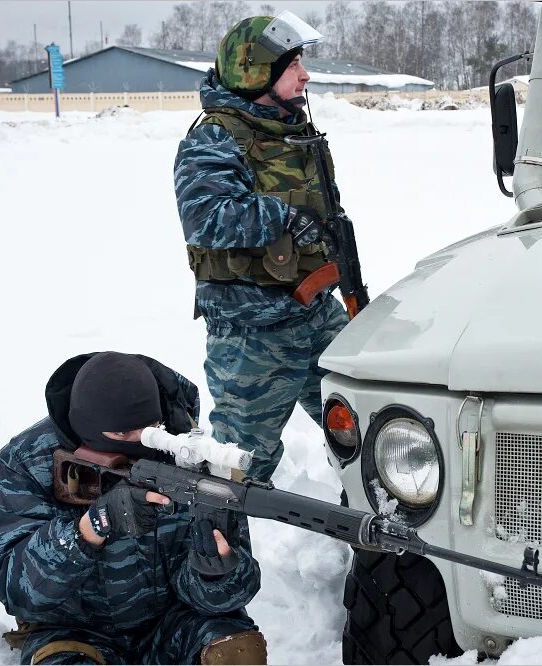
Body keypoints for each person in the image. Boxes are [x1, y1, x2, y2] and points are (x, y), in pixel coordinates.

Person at [0, 351, 266, 665]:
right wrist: (90, 528)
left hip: (176, 623)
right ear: (86, 428)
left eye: (151, 427)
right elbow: (16, 590)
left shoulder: (193, 461)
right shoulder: (27, 462)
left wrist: (215, 574)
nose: (142, 441)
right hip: (74, 632)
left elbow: (229, 597)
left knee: (236, 651)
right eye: (122, 434)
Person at [174, 12, 351, 482]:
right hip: (252, 334)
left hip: (316, 311)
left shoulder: (291, 130)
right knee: (238, 469)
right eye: (293, 65)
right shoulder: (214, 137)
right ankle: (222, 552)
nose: (305, 75)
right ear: (257, 73)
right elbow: (206, 219)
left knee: (372, 427)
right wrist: (286, 216)